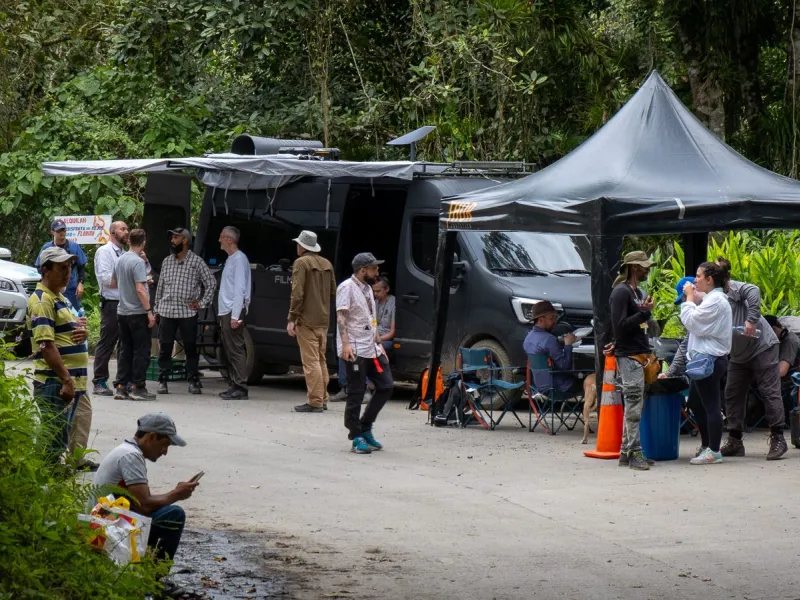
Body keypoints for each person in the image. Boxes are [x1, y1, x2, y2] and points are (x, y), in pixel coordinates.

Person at [92, 413, 196, 562]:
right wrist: (176, 494)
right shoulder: (131, 456)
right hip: (105, 523)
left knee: (159, 513)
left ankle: (142, 563)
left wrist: (175, 492)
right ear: (151, 437)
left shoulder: (127, 450)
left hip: (107, 519)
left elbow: (143, 502)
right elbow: (144, 506)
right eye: (165, 444)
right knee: (175, 515)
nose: (165, 451)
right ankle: (156, 574)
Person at [716, 257, 787, 460]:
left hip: (761, 346)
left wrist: (752, 319)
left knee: (769, 391)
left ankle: (778, 438)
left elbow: (754, 290)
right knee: (732, 393)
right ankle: (735, 440)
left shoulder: (732, 288)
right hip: (739, 353)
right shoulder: (710, 298)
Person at [26, 247, 89, 465]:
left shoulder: (59, 297)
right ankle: (45, 480)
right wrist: (66, 379)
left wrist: (82, 332)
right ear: (45, 270)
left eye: (69, 267)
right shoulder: (42, 300)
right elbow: (46, 345)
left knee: (57, 441)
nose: (67, 273)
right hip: (55, 383)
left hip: (67, 382)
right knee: (52, 444)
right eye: (61, 268)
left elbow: (66, 332)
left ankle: (50, 478)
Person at [336, 253, 394, 454]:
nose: (377, 271)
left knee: (386, 385)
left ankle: (366, 425)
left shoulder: (368, 288)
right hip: (354, 348)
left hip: (371, 347)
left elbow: (371, 316)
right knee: (356, 392)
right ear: (362, 270)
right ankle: (356, 435)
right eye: (373, 268)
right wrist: (345, 344)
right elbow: (341, 317)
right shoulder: (346, 288)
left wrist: (378, 342)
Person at [679, 263, 733, 465]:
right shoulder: (712, 299)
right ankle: (707, 445)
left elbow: (692, 321)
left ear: (709, 279)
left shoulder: (716, 301)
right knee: (695, 402)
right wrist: (694, 298)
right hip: (703, 359)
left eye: (698, 276)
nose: (695, 280)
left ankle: (714, 450)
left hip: (710, 359)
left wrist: (689, 298)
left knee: (711, 406)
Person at [154, 228, 216, 395]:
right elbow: (160, 287)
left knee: (190, 347)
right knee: (165, 347)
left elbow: (211, 283)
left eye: (176, 237)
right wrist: (156, 308)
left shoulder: (196, 262)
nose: (172, 241)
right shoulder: (167, 261)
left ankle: (193, 380)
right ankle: (162, 379)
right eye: (172, 238)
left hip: (187, 312)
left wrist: (202, 302)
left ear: (185, 241)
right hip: (167, 311)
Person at [609, 250, 655, 471]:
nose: (648, 270)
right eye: (645, 266)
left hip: (638, 354)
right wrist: (645, 313)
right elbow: (619, 326)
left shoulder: (636, 292)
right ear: (635, 267)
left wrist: (645, 313)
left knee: (635, 402)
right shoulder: (621, 292)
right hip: (629, 355)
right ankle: (634, 452)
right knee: (634, 403)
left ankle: (626, 452)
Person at [287, 230, 337, 413]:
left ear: (302, 246)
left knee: (310, 362)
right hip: (323, 319)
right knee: (320, 359)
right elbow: (333, 292)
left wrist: (292, 318)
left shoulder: (301, 263)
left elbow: (297, 294)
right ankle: (322, 397)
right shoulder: (327, 263)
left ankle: (315, 401)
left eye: (298, 244)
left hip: (306, 319)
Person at [111, 228, 156, 401]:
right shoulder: (137, 262)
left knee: (125, 349)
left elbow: (113, 283)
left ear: (129, 241)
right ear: (143, 243)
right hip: (137, 312)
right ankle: (138, 386)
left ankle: (121, 386)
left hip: (122, 311)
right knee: (141, 350)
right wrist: (149, 311)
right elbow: (140, 289)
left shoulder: (120, 260)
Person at [92, 221, 129, 396]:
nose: (126, 232)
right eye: (122, 229)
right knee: (107, 342)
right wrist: (130, 280)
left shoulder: (125, 254)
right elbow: (107, 280)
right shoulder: (104, 252)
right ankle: (99, 381)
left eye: (127, 229)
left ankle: (122, 381)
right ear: (112, 232)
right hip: (111, 303)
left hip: (126, 303)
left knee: (125, 343)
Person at [217, 226, 251, 400]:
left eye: (222, 236)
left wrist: (235, 315)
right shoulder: (231, 259)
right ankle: (234, 384)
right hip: (227, 309)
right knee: (229, 349)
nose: (219, 240)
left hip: (232, 310)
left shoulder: (239, 259)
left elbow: (240, 289)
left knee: (236, 349)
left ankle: (240, 386)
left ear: (230, 240)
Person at [523, 300, 584, 394]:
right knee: (590, 380)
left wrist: (560, 342)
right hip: (559, 388)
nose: (555, 321)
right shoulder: (549, 339)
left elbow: (543, 349)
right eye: (551, 318)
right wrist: (568, 345)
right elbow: (565, 366)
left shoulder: (528, 338)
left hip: (538, 387)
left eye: (556, 317)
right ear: (541, 320)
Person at [35, 219, 88, 311]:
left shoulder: (74, 246)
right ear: (52, 232)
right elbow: (39, 268)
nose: (62, 233)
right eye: (59, 231)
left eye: (63, 230)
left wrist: (81, 283)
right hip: (51, 288)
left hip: (70, 289)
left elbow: (81, 266)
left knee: (73, 314)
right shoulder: (47, 248)